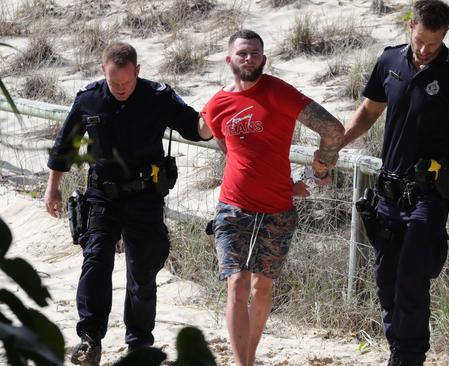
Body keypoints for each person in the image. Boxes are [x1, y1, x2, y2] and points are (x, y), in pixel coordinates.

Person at [340, 1, 449, 364]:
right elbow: (367, 113)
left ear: (445, 36)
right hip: (388, 191)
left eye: (435, 43)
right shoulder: (389, 61)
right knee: (385, 276)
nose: (426, 50)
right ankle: (399, 348)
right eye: (421, 40)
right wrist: (334, 145)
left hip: (430, 192)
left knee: (412, 272)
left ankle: (409, 356)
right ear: (410, 26)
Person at [44, 42, 213, 365]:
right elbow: (64, 148)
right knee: (95, 261)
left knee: (142, 272)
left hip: (145, 196)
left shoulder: (158, 97)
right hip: (102, 196)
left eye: (126, 82)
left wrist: (219, 109)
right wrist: (52, 190)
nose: (120, 89)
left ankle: (138, 345)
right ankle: (90, 339)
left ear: (138, 71)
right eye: (114, 83)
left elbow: (196, 129)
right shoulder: (89, 98)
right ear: (103, 72)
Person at [201, 29, 344, 366]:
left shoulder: (279, 92)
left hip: (278, 209)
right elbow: (226, 147)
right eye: (242, 53)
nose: (248, 58)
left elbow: (333, 129)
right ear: (229, 60)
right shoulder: (217, 103)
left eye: (254, 53)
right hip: (233, 207)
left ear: (263, 59)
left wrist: (320, 168)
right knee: (236, 283)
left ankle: (247, 359)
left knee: (261, 290)